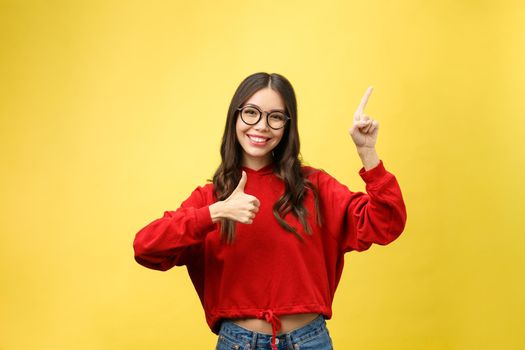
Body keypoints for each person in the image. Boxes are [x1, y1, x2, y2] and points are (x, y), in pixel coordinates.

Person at [133, 72, 407, 350]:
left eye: (275, 117)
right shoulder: (211, 199)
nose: (262, 126)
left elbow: (386, 223)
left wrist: (368, 153)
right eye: (251, 113)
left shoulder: (314, 187)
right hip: (238, 343)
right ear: (235, 118)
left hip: (309, 342)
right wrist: (215, 212)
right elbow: (145, 248)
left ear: (287, 126)